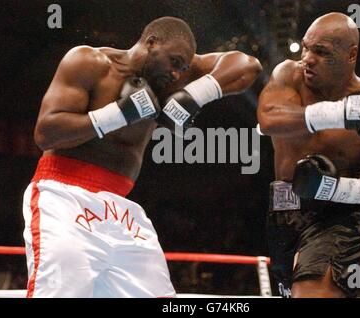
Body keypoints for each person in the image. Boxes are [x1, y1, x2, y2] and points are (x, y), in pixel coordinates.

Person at [22, 16, 262, 298]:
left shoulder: (176, 77)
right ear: (151, 43)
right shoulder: (90, 62)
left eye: (183, 67)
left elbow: (248, 66)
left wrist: (194, 95)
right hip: (64, 194)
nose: (176, 74)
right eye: (173, 63)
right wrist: (118, 114)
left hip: (120, 206)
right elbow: (46, 133)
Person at [257, 13, 360, 297]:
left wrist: (335, 189)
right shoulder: (289, 75)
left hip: (340, 217)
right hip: (283, 212)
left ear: (351, 55)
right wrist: (341, 114)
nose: (308, 58)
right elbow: (268, 119)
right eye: (306, 47)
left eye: (321, 52)